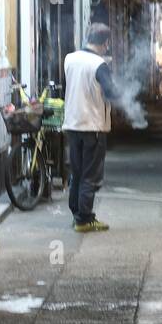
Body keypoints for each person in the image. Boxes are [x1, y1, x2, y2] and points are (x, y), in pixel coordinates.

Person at [62, 23, 118, 233]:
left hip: (72, 125)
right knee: (90, 175)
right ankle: (85, 219)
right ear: (105, 43)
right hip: (93, 126)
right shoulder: (99, 64)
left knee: (77, 172)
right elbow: (111, 93)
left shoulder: (70, 59)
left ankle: (77, 213)